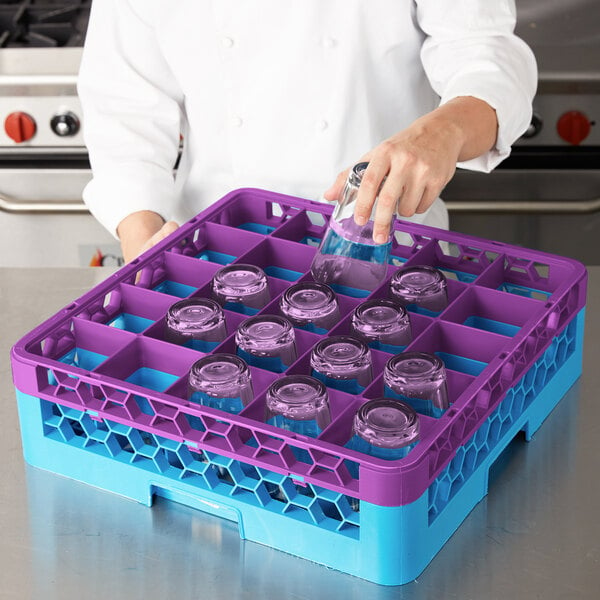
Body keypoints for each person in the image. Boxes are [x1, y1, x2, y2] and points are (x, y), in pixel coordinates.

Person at [78, 0, 537, 263]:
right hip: (214, 253)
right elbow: (123, 107)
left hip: (388, 251)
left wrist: (445, 130)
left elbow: (485, 54)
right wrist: (145, 243)